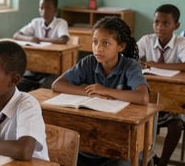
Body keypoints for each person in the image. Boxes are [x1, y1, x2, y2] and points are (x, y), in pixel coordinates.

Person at [52, 16, 149, 166]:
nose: (98, 48)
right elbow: (57, 85)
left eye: (106, 43)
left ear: (121, 46)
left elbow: (142, 97)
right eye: (95, 42)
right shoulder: (89, 62)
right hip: (90, 138)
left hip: (121, 144)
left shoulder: (131, 66)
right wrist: (90, 92)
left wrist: (106, 90)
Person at [137, 4, 185, 166]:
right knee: (142, 119)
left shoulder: (182, 42)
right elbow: (128, 59)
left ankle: (163, 162)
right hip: (150, 99)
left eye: (165, 23)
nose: (159, 27)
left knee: (176, 123)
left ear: (176, 26)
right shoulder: (146, 40)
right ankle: (148, 156)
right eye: (156, 22)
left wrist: (155, 65)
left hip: (175, 102)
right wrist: (136, 64)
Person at [13, 0, 69, 91]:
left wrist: (40, 39)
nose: (44, 11)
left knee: (44, 88)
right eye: (41, 7)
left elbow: (63, 40)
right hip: (34, 69)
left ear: (55, 10)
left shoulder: (61, 23)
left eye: (48, 8)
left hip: (52, 70)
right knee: (16, 87)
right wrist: (30, 39)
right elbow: (16, 35)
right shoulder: (36, 22)